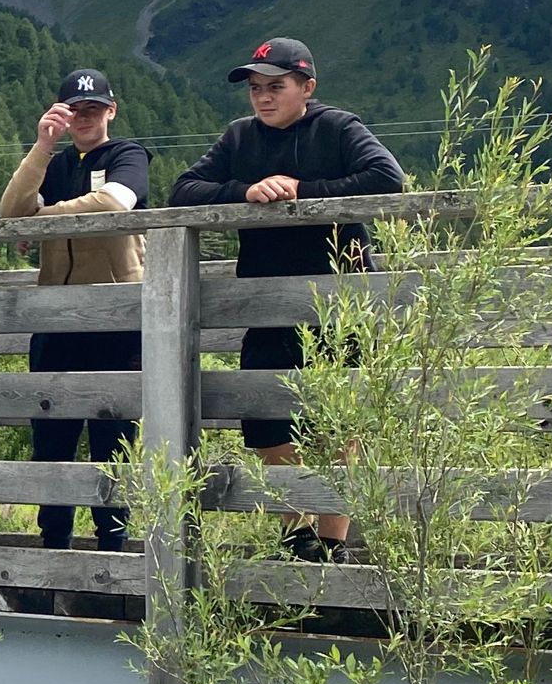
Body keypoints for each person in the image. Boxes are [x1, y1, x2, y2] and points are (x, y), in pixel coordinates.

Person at [170, 36, 406, 563]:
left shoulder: (339, 128)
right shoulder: (238, 138)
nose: (262, 97)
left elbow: (388, 179)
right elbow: (182, 190)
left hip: (339, 304)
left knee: (339, 428)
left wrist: (302, 189)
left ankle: (333, 541)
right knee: (268, 424)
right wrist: (244, 192)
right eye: (256, 88)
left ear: (307, 87)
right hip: (265, 304)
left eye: (275, 87)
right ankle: (294, 533)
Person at [0, 69, 151, 553]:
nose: (84, 118)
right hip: (56, 321)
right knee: (52, 441)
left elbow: (114, 203)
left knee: (114, 441)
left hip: (118, 321)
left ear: (112, 110)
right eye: (74, 110)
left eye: (93, 109)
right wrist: (42, 147)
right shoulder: (56, 164)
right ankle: (54, 544)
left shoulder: (128, 155)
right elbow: (10, 210)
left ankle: (113, 545)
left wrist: (40, 221)